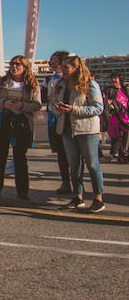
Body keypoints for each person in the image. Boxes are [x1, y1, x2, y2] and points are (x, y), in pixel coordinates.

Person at [52, 55, 106, 213]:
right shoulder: (61, 85)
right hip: (67, 129)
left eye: (66, 67)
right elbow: (53, 105)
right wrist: (57, 108)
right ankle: (78, 197)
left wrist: (74, 110)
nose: (63, 70)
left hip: (86, 129)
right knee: (74, 166)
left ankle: (98, 198)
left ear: (76, 68)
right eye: (62, 67)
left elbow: (98, 107)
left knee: (92, 165)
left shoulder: (90, 85)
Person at [0, 55, 42, 200]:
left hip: (21, 124)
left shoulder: (32, 84)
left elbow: (37, 105)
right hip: (3, 122)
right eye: (12, 64)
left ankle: (23, 192)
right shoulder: (1, 81)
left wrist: (22, 106)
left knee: (20, 159)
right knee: (0, 157)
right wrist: (4, 103)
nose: (14, 67)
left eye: (18, 64)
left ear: (25, 67)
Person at [44, 51, 73, 194]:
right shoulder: (48, 79)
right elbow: (43, 97)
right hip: (53, 117)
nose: (51, 63)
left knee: (73, 153)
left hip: (67, 117)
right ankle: (65, 182)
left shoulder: (70, 79)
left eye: (54, 60)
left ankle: (77, 184)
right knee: (61, 153)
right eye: (50, 61)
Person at [105, 74, 128, 162]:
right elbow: (106, 102)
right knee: (118, 136)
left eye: (115, 78)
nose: (113, 80)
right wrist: (111, 103)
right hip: (116, 118)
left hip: (126, 117)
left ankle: (121, 154)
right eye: (112, 79)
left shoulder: (125, 90)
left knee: (124, 137)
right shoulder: (109, 90)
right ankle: (118, 154)